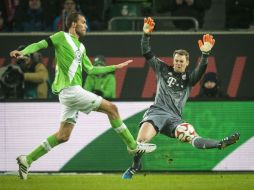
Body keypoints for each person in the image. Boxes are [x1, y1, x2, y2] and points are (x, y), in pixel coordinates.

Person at [10, 12, 156, 180]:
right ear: (73, 24)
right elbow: (40, 44)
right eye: (83, 22)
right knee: (112, 109)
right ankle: (133, 146)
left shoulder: (81, 47)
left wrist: (115, 67)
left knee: (63, 136)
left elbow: (91, 70)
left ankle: (26, 160)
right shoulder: (61, 36)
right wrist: (24, 52)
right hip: (70, 90)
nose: (86, 26)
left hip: (70, 93)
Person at [122, 17, 240, 179]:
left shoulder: (189, 80)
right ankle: (136, 165)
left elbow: (201, 70)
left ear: (186, 63)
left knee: (192, 136)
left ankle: (219, 143)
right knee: (140, 142)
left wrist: (205, 54)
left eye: (181, 61)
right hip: (156, 113)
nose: (178, 63)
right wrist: (146, 35)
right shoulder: (163, 68)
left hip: (174, 120)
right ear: (173, 60)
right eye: (176, 60)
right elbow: (146, 52)